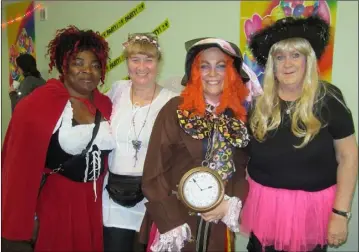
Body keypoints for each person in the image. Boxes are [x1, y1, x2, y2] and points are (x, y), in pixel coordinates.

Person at [241, 16, 358, 252]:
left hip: (312, 210)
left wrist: (341, 213)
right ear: (272, 63)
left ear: (308, 60)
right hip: (265, 208)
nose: (287, 64)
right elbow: (245, 156)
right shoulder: (258, 103)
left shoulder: (329, 98)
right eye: (280, 57)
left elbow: (348, 158)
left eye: (296, 55)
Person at [1, 25, 116, 252]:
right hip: (56, 203)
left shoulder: (106, 104)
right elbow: (18, 167)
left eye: (95, 65)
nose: (87, 71)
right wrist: (28, 217)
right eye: (78, 63)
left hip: (94, 205)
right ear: (64, 65)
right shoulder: (37, 104)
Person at [139, 37, 255, 252]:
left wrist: (231, 203)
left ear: (231, 73)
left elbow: (240, 171)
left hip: (218, 222)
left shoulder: (238, 117)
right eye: (204, 66)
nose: (212, 74)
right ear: (194, 72)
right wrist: (171, 222)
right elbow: (154, 171)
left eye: (221, 66)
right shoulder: (175, 109)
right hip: (176, 221)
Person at [102, 32, 178, 252]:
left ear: (158, 63)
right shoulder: (116, 91)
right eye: (135, 59)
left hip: (151, 200)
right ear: (126, 63)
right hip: (113, 198)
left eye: (149, 59)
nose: (142, 66)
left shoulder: (172, 101)